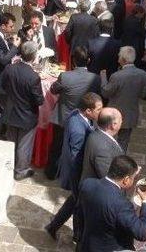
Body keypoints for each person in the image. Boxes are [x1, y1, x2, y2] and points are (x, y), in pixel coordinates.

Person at [45, 93, 103, 239]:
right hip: (77, 173)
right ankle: (77, 236)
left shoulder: (76, 114)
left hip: (77, 173)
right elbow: (75, 157)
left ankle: (54, 227)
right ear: (88, 111)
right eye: (98, 109)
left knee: (75, 201)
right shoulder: (78, 130)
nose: (100, 112)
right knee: (79, 205)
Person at [78, 155, 146, 251]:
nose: (133, 180)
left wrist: (132, 173)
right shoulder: (122, 205)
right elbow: (142, 233)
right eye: (133, 178)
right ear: (126, 180)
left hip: (88, 244)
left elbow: (79, 212)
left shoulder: (87, 184)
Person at [46, 46, 101, 179]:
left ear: (73, 60)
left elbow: (53, 90)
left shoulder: (65, 76)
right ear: (88, 60)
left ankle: (51, 173)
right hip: (83, 119)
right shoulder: (95, 78)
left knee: (57, 146)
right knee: (78, 149)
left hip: (62, 118)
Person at [1, 41, 45, 180]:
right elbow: (39, 100)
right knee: (24, 146)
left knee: (11, 142)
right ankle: (20, 171)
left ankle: (8, 167)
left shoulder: (10, 68)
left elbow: (3, 85)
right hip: (27, 116)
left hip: (11, 112)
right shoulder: (33, 77)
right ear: (33, 56)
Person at [102, 46, 146, 151]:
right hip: (130, 114)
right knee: (124, 141)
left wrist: (103, 77)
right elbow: (143, 94)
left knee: (109, 139)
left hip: (114, 114)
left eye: (119, 56)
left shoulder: (117, 76)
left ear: (123, 59)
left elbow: (105, 92)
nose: (117, 58)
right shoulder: (143, 74)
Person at [79, 108, 125, 182]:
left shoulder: (96, 133)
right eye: (121, 119)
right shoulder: (103, 151)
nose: (122, 121)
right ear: (114, 125)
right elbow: (110, 180)